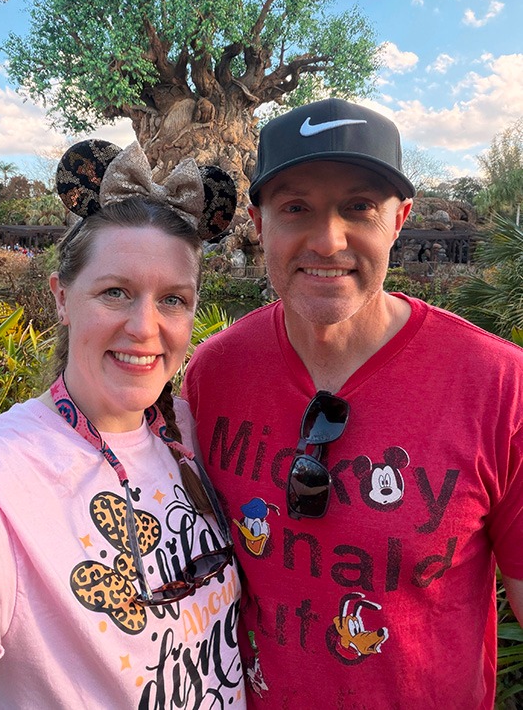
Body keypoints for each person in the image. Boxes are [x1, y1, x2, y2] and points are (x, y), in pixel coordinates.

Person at [0, 139, 245, 709]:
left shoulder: (194, 430)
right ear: (62, 297)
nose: (145, 327)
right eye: (115, 292)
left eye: (173, 300)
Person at [182, 98, 523, 708]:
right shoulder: (215, 372)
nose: (327, 240)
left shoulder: (499, 385)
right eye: (296, 208)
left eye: (359, 207)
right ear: (259, 223)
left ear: (399, 220)